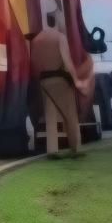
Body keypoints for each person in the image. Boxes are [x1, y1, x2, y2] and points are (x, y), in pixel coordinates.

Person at [30, 11, 89, 157]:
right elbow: (67, 62)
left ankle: (52, 149)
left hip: (43, 80)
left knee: (50, 115)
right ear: (57, 21)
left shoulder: (36, 39)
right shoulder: (59, 37)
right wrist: (76, 80)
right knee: (70, 114)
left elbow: (34, 62)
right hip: (59, 79)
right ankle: (75, 149)